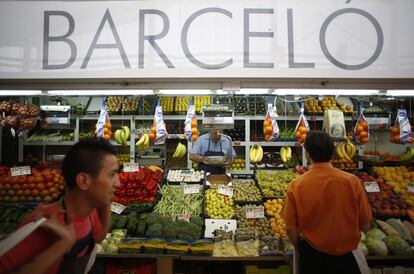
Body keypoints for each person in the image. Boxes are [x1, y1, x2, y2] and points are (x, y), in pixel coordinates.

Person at [0, 139, 120, 274]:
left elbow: (100, 235)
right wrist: (61, 245)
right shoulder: (42, 225)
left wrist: (105, 197)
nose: (118, 183)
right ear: (83, 181)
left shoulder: (90, 215)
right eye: (112, 175)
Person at [282, 131, 372, 274]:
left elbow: (291, 229)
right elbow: (366, 225)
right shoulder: (351, 181)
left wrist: (302, 249)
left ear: (308, 154)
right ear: (332, 153)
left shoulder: (297, 184)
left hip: (311, 257)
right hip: (345, 258)